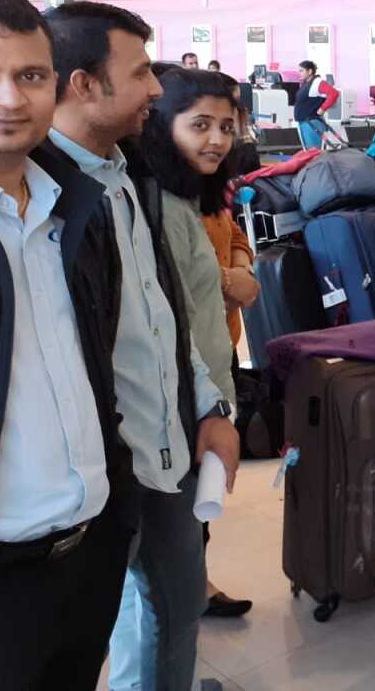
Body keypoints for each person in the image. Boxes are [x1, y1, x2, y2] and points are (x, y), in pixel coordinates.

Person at [45, 0, 241, 691]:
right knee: (93, 633)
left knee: (174, 607)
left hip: (167, 450)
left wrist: (211, 405)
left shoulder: (125, 179)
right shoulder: (43, 197)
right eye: (138, 75)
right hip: (94, 474)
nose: (156, 90)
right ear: (84, 85)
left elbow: (162, 318)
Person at [0, 0, 135, 688]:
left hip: (87, 557)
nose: (11, 99)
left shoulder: (76, 207)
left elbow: (96, 363)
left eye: (29, 75)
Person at [140, 67, 259, 624]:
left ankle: (197, 594)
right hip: (183, 392)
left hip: (216, 367)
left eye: (227, 126)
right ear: (164, 125)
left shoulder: (202, 190)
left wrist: (238, 270)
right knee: (165, 560)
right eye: (201, 125)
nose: (217, 138)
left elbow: (234, 233)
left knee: (194, 520)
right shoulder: (151, 203)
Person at [292, 60, 339, 150]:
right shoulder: (306, 83)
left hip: (312, 123)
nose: (300, 73)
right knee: (309, 152)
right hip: (304, 122)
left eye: (302, 71)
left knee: (314, 152)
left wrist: (323, 108)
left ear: (310, 71)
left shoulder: (317, 82)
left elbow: (334, 93)